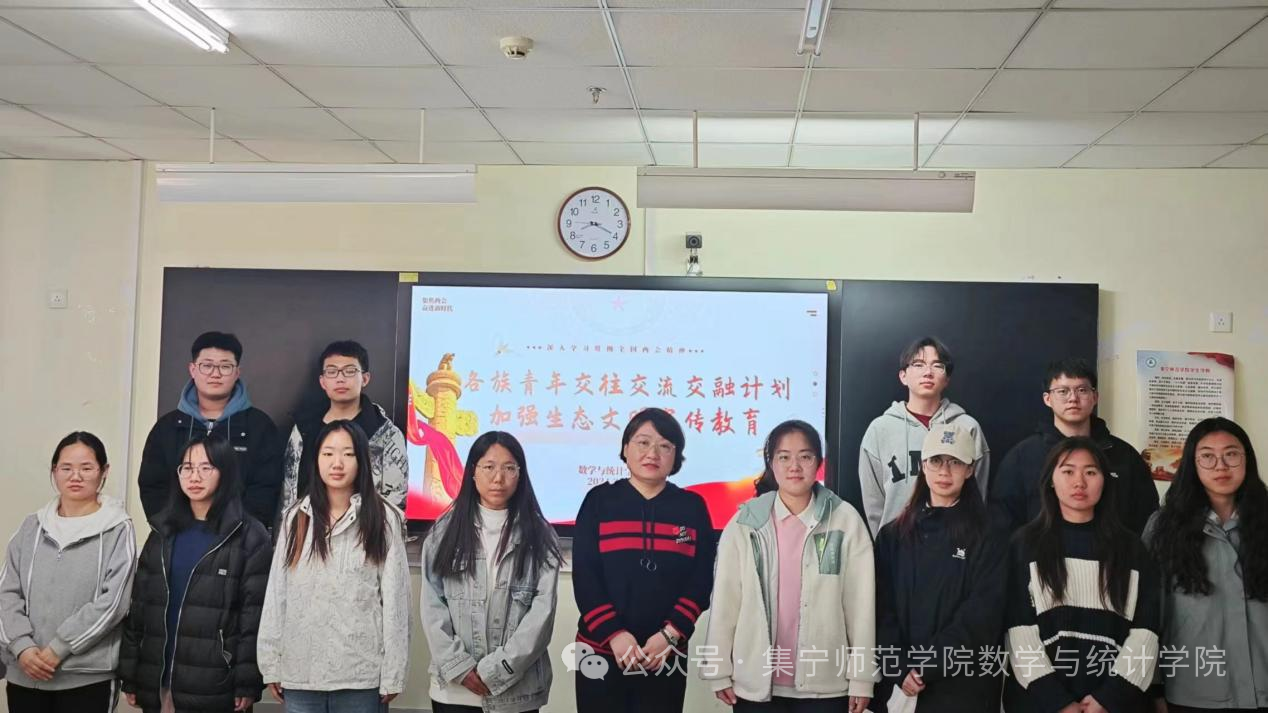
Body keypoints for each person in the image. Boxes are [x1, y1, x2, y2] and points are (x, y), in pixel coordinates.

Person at [703, 420, 874, 713]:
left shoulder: (845, 520)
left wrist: (862, 678)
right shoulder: (746, 523)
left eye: (805, 456)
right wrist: (718, 669)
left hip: (826, 684)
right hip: (756, 683)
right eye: (784, 457)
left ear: (818, 462)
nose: (794, 466)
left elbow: (861, 606)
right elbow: (726, 602)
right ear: (771, 463)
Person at [258, 420, 410, 712]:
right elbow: (277, 595)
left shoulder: (382, 518)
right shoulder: (296, 517)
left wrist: (394, 672)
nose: (337, 463)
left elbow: (396, 602)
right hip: (301, 674)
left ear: (362, 460)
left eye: (348, 454)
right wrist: (270, 663)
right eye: (328, 453)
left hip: (360, 676)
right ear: (316, 459)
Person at [572, 408, 716, 713]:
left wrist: (670, 635)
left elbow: (702, 579)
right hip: (600, 651)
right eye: (643, 442)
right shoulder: (599, 502)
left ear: (676, 456)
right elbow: (585, 576)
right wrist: (615, 635)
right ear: (626, 448)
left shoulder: (691, 507)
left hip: (664, 653)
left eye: (665, 446)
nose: (653, 453)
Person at [1005, 437, 1160, 713]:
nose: (1079, 482)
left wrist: (1108, 699)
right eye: (1068, 471)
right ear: (1051, 480)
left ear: (1105, 481)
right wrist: (1058, 702)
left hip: (1114, 705)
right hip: (1041, 704)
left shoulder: (1131, 549)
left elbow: (1146, 631)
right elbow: (1019, 631)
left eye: (1090, 472)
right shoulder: (1024, 545)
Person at [119, 434, 272, 713]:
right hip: (159, 680)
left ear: (225, 472)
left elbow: (254, 616)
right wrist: (130, 674)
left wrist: (247, 682)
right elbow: (139, 608)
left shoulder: (248, 535)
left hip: (217, 684)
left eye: (206, 467)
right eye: (187, 467)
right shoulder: (162, 532)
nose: (195, 477)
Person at [421, 431, 562, 713]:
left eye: (509, 468)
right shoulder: (443, 532)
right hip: (454, 692)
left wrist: (497, 670)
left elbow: (542, 614)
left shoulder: (540, 535)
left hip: (516, 693)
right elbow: (432, 606)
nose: (498, 478)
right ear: (473, 472)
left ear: (520, 475)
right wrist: (460, 668)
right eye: (489, 467)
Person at [873, 421, 1008, 713]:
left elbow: (982, 615)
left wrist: (928, 665)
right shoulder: (892, 536)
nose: (944, 472)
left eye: (955, 462)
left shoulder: (989, 535)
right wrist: (898, 665)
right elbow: (880, 608)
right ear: (923, 465)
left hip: (963, 687)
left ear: (970, 469)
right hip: (900, 686)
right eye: (936, 461)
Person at [0, 432, 136, 712]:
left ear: (104, 471)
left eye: (86, 468)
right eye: (66, 468)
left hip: (87, 678)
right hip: (25, 673)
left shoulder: (118, 529)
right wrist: (22, 647)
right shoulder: (31, 526)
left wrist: (58, 648)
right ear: (54, 471)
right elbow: (6, 593)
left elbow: (114, 604)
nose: (76, 476)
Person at [1144, 417, 1268, 713]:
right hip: (1193, 693)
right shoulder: (1164, 527)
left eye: (1231, 454)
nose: (1221, 466)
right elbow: (1148, 613)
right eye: (1207, 456)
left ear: (1247, 459)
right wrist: (1154, 687)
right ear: (1192, 464)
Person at [992, 358, 1158, 534]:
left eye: (1082, 390)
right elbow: (1003, 522)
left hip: (1112, 550)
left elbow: (1146, 519)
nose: (1073, 398)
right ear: (1047, 399)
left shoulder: (1124, 455)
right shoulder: (1022, 456)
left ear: (1095, 397)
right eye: (1063, 391)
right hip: (1041, 550)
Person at [138, 331, 283, 527]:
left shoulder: (259, 426)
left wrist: (237, 532)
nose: (215, 374)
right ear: (192, 369)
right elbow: (153, 486)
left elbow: (266, 489)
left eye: (225, 366)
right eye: (207, 366)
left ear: (237, 372)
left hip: (239, 538)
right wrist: (174, 530)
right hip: (177, 536)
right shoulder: (167, 427)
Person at [859, 337, 990, 537]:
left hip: (957, 542)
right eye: (918, 364)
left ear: (947, 379)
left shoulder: (967, 428)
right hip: (898, 544)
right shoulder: (880, 430)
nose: (928, 372)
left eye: (937, 365)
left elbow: (976, 495)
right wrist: (886, 543)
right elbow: (874, 504)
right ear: (903, 376)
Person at [280, 340, 408, 514]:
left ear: (365, 379)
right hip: (308, 525)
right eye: (332, 372)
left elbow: (396, 499)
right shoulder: (304, 429)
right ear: (323, 382)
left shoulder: (385, 434)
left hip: (366, 527)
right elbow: (289, 491)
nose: (340, 379)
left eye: (349, 371)